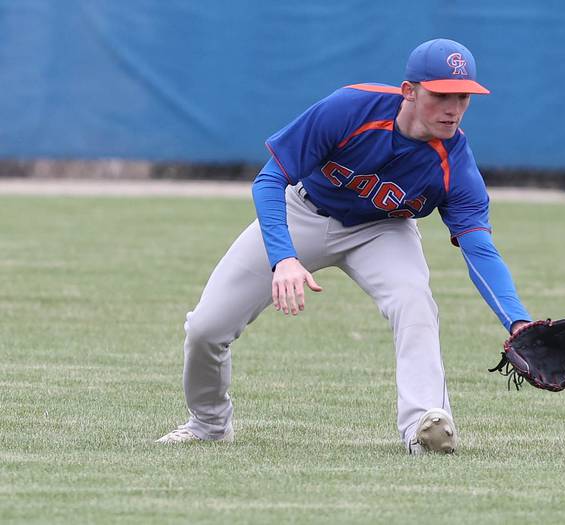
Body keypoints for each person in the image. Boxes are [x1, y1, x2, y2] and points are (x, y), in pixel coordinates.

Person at [157, 38, 531, 454]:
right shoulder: (351, 109)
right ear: (409, 91)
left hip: (383, 231)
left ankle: (425, 426)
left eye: (463, 97)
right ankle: (208, 423)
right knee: (207, 327)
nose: (453, 109)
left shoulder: (455, 165)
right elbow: (268, 180)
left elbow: (479, 249)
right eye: (441, 95)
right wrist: (283, 258)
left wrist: (517, 321)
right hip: (304, 212)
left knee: (414, 302)